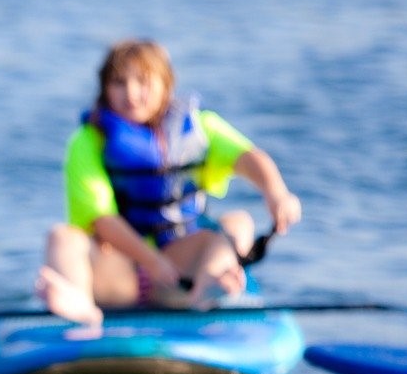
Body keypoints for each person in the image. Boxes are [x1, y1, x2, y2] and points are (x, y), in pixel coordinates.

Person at [34, 39, 303, 327]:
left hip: (178, 272)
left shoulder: (200, 128)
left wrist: (276, 193)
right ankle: (80, 308)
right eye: (119, 83)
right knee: (61, 237)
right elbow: (101, 220)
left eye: (143, 81)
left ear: (166, 85)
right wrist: (151, 261)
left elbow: (248, 157)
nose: (131, 94)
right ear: (104, 89)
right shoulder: (88, 141)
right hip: (117, 274)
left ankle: (209, 289)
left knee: (239, 223)